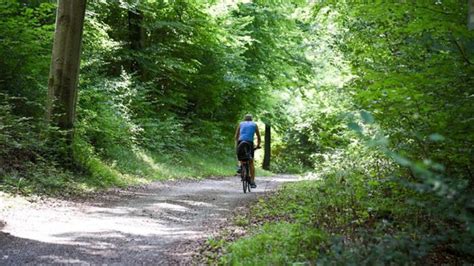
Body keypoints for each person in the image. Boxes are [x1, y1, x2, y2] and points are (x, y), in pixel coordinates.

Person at [235, 114, 261, 188]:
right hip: (249, 143)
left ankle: (241, 167)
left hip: (240, 141)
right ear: (251, 119)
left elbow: (236, 136)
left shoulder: (240, 124)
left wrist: (237, 145)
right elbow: (258, 137)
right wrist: (258, 145)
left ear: (244, 119)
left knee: (240, 155)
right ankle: (252, 181)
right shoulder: (254, 125)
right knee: (251, 161)